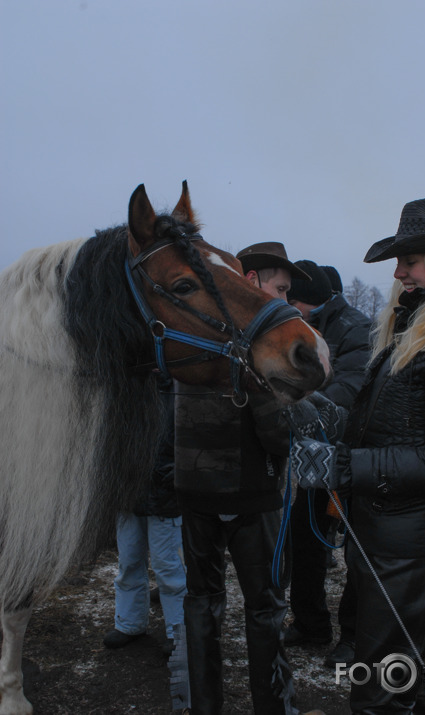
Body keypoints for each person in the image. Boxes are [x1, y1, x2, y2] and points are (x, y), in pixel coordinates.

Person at [291, 198, 425, 713]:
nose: (398, 272)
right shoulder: (413, 324)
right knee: (409, 680)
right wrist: (318, 415)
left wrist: (342, 467)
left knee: (378, 692)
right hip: (397, 535)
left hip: (418, 546)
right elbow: (389, 421)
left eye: (409, 260)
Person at [174, 242, 325, 715]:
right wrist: (301, 413)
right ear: (251, 281)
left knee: (201, 602)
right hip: (253, 497)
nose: (282, 298)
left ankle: (204, 705)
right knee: (264, 608)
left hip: (194, 491)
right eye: (279, 288)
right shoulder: (253, 348)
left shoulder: (193, 335)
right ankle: (273, 706)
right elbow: (278, 437)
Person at [284, 262, 371, 670]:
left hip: (355, 457)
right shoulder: (303, 324)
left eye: (292, 298)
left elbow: (350, 386)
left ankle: (354, 637)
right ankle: (310, 624)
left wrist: (302, 406)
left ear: (307, 301)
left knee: (358, 552)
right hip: (319, 456)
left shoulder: (356, 329)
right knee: (305, 539)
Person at [104, 392, 187, 658]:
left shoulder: (178, 390)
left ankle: (179, 632)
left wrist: (179, 469)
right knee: (128, 561)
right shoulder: (124, 387)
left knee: (169, 568)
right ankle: (129, 623)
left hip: (165, 495)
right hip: (129, 493)